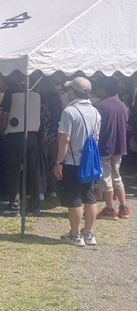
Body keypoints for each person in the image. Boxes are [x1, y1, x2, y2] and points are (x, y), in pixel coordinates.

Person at [55, 76, 101, 247]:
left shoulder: (69, 111)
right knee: (89, 197)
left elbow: (65, 139)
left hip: (72, 160)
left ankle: (75, 235)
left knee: (74, 198)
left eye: (68, 90)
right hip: (89, 162)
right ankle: (88, 233)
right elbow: (96, 138)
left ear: (73, 92)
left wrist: (58, 162)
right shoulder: (96, 112)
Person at [0, 75, 41, 216]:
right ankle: (35, 205)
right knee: (32, 172)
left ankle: (14, 205)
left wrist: (3, 131)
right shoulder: (36, 93)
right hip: (32, 136)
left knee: (13, 171)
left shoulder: (10, 92)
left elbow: (4, 115)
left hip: (15, 135)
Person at [94, 77, 130, 219]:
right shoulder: (122, 105)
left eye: (98, 87)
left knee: (105, 178)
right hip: (119, 145)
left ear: (104, 88)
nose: (96, 90)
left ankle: (109, 209)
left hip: (104, 145)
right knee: (117, 176)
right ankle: (123, 207)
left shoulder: (99, 106)